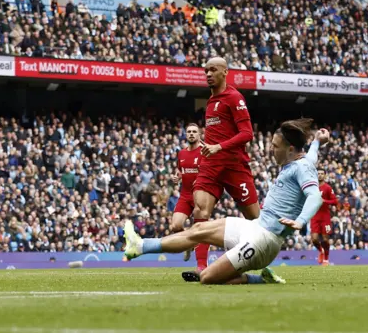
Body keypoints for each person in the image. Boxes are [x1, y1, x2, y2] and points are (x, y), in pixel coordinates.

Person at [123, 120, 330, 285]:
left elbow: (315, 196)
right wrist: (318, 141)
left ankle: (259, 279)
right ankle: (140, 245)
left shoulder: (301, 168)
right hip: (255, 226)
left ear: (291, 149)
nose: (271, 150)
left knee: (207, 278)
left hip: (264, 241)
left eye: (275, 147)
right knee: (198, 228)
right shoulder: (301, 160)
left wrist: (301, 220)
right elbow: (310, 154)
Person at [184, 57, 259, 281]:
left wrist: (219, 147)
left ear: (225, 72)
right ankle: (201, 267)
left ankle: (256, 261)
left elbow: (247, 134)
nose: (207, 74)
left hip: (234, 165)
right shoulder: (210, 100)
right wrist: (212, 149)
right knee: (200, 211)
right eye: (205, 70)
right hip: (210, 165)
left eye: (213, 70)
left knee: (256, 221)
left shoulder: (234, 98)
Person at [170, 123, 202, 261]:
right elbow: (180, 170)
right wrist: (177, 177)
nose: (191, 134)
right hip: (185, 195)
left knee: (200, 228)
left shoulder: (204, 151)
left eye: (194, 131)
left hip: (200, 196)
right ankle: (188, 245)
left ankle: (201, 262)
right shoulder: (181, 153)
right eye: (189, 131)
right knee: (175, 226)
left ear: (199, 134)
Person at [311, 168, 337, 265]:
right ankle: (321, 250)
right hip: (314, 216)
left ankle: (326, 259)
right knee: (314, 239)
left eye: (322, 173)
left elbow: (335, 201)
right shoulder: (312, 187)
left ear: (325, 175)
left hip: (325, 217)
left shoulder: (328, 188)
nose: (320, 175)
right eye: (318, 173)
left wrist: (325, 201)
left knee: (325, 239)